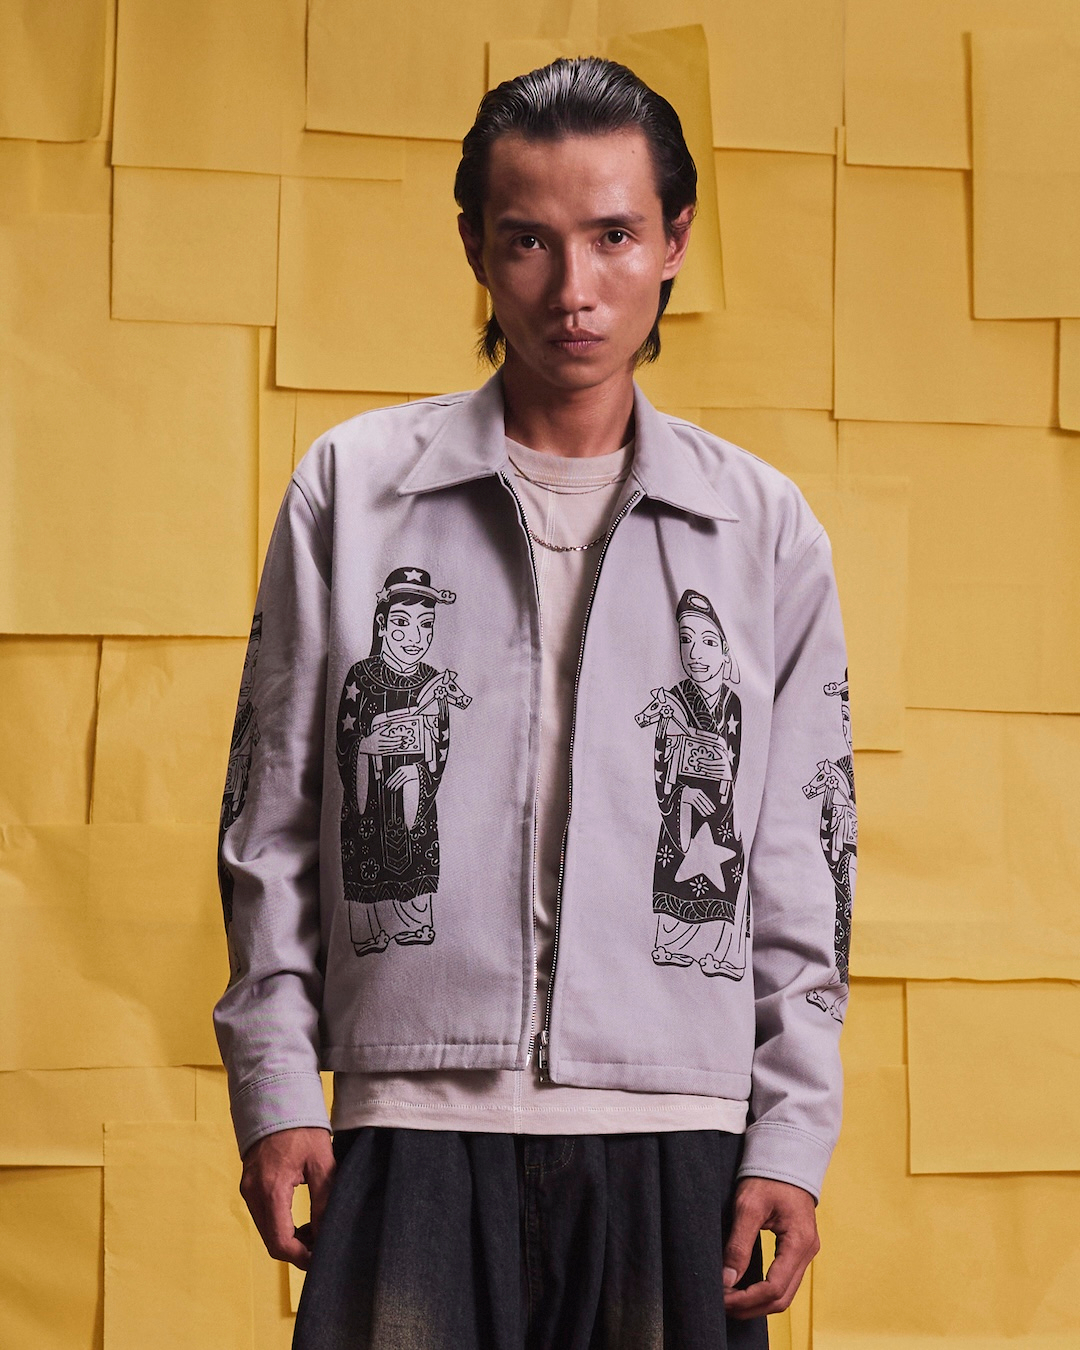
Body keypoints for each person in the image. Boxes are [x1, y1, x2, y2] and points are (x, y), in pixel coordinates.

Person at [214, 55, 855, 1349]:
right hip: (410, 1120)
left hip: (678, 1129)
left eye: (614, 235)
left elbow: (803, 861)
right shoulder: (352, 490)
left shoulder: (761, 528)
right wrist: (278, 1083)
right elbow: (270, 821)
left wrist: (791, 1133)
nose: (574, 290)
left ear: (674, 241)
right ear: (475, 246)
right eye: (529, 241)